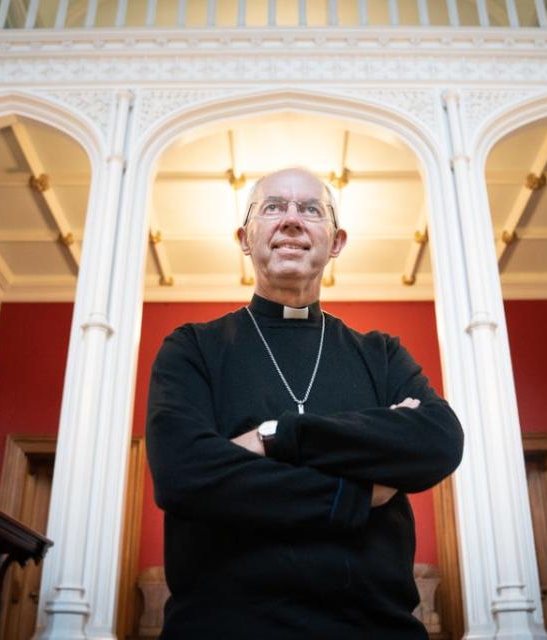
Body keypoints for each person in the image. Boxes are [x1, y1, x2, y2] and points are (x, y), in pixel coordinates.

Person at [145, 167, 464, 639]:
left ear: (335, 242)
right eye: (273, 207)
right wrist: (354, 493)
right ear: (245, 238)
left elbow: (438, 440)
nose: (291, 220)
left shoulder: (381, 354)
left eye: (310, 209)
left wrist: (274, 436)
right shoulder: (192, 347)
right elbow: (183, 474)